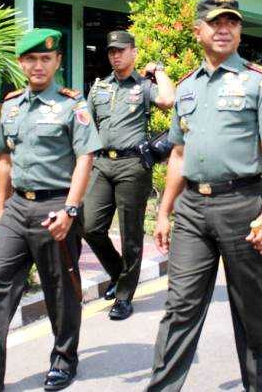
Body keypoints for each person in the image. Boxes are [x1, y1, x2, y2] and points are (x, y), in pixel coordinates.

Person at [0, 29, 102, 391]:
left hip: (55, 207)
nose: (37, 66)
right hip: (17, 208)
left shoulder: (72, 105)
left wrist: (71, 209)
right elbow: (3, 159)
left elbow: (85, 158)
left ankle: (64, 361)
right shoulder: (12, 105)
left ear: (58, 62)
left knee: (61, 292)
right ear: (21, 63)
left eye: (45, 59)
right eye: (30, 59)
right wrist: (2, 211)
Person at [146, 0, 262, 392]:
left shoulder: (258, 80)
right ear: (198, 31)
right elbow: (177, 152)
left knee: (249, 307)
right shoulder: (187, 87)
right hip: (192, 208)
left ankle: (257, 386)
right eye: (215, 22)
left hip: (241, 205)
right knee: (180, 305)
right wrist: (164, 210)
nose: (224, 29)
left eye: (232, 22)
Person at [83, 30, 175, 320]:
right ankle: (118, 273)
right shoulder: (98, 88)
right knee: (89, 225)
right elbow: (86, 129)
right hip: (102, 163)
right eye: (111, 51)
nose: (116, 55)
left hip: (132, 166)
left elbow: (169, 99)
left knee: (130, 234)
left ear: (134, 53)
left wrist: (158, 70)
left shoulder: (144, 86)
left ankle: (124, 296)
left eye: (121, 50)